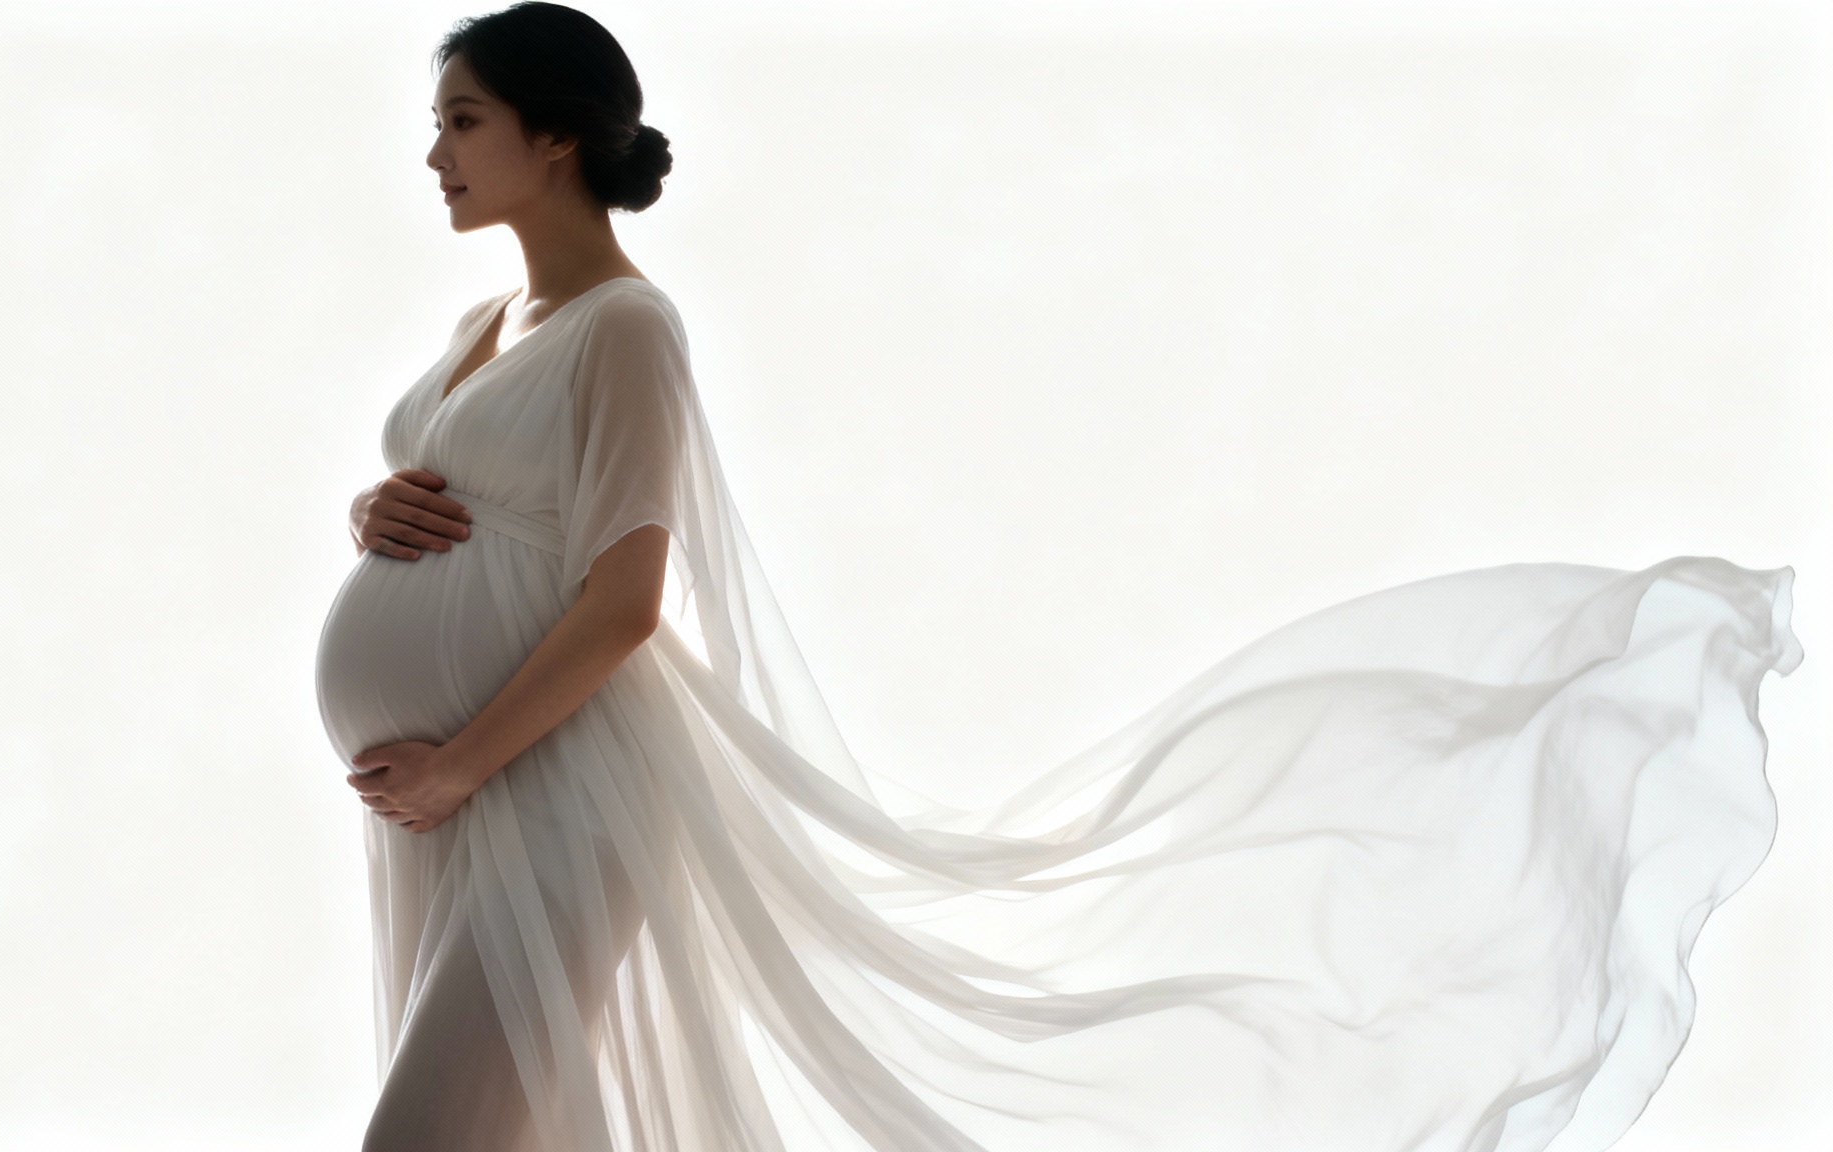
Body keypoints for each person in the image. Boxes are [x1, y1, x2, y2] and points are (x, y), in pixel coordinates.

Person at [313, 5, 1802, 1150]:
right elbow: (477, 512)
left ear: (554, 137)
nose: (434, 152)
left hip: (557, 791)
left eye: (462, 118)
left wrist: (460, 762)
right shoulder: (483, 327)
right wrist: (377, 510)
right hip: (452, 796)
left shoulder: (632, 327)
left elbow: (631, 597)